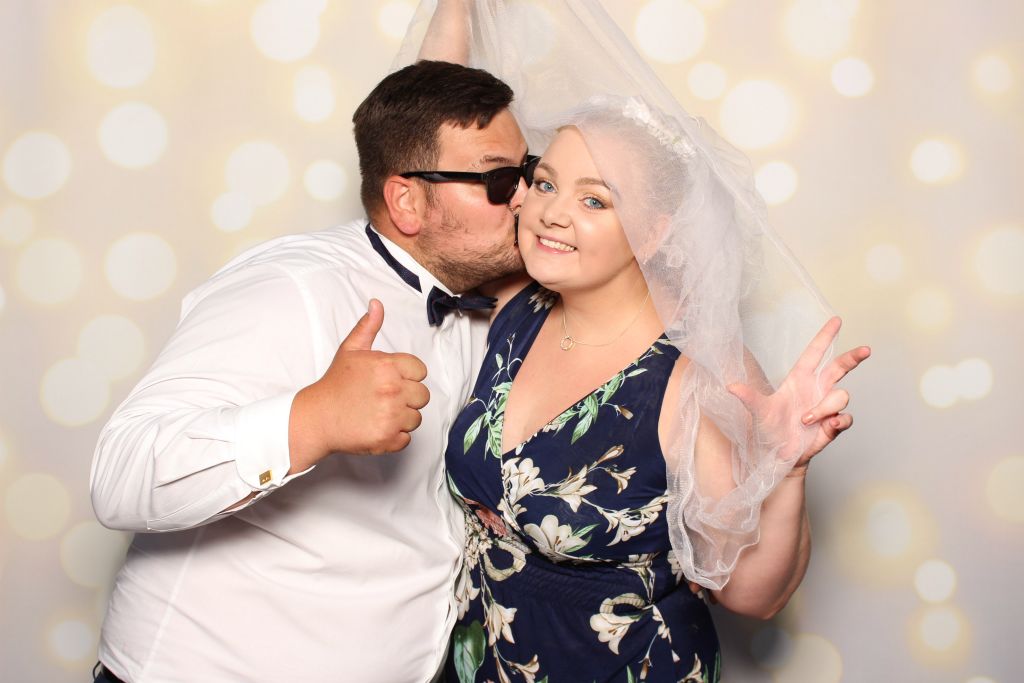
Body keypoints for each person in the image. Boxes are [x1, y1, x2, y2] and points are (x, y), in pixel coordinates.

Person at [387, 2, 869, 681]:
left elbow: (753, 595)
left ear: (655, 228)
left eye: (596, 200)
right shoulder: (517, 302)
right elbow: (427, 134)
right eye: (546, 183)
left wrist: (786, 473)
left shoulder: (693, 376)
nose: (552, 212)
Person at [89, 59, 532, 683]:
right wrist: (311, 420)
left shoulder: (481, 299)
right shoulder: (290, 287)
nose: (526, 196)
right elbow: (119, 475)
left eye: (529, 172)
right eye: (500, 180)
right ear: (406, 200)